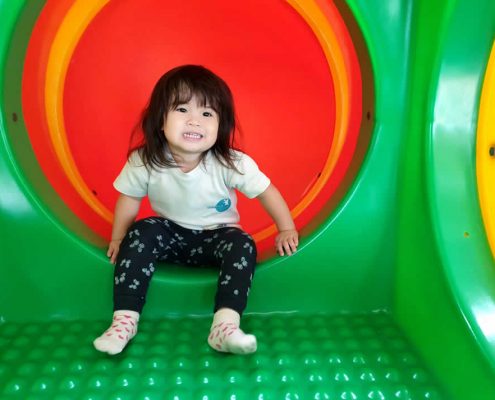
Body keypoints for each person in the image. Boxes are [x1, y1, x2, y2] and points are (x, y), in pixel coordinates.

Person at [93, 65, 298, 355]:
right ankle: (124, 322)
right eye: (182, 109)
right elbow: (129, 199)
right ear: (160, 119)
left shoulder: (231, 162)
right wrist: (118, 238)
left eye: (207, 113)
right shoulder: (145, 160)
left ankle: (224, 327)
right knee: (141, 231)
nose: (194, 121)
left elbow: (267, 192)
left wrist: (286, 228)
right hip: (170, 236)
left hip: (217, 237)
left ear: (220, 125)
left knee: (243, 243)